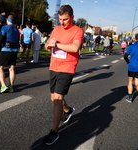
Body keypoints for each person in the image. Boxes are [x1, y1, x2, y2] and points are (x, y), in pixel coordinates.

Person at [44, 4, 83, 145]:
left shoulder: (77, 30)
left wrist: (57, 45)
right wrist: (48, 45)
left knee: (58, 99)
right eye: (60, 19)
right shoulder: (56, 29)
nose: (62, 22)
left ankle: (54, 132)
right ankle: (68, 110)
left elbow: (75, 47)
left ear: (72, 17)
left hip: (67, 68)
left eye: (65, 19)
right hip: (53, 67)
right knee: (53, 98)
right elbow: (46, 45)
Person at [0, 14, 20, 93]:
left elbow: (0, 39)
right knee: (11, 69)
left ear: (8, 20)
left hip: (6, 49)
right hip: (15, 50)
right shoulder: (17, 30)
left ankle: (3, 85)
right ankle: (11, 86)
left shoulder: (5, 28)